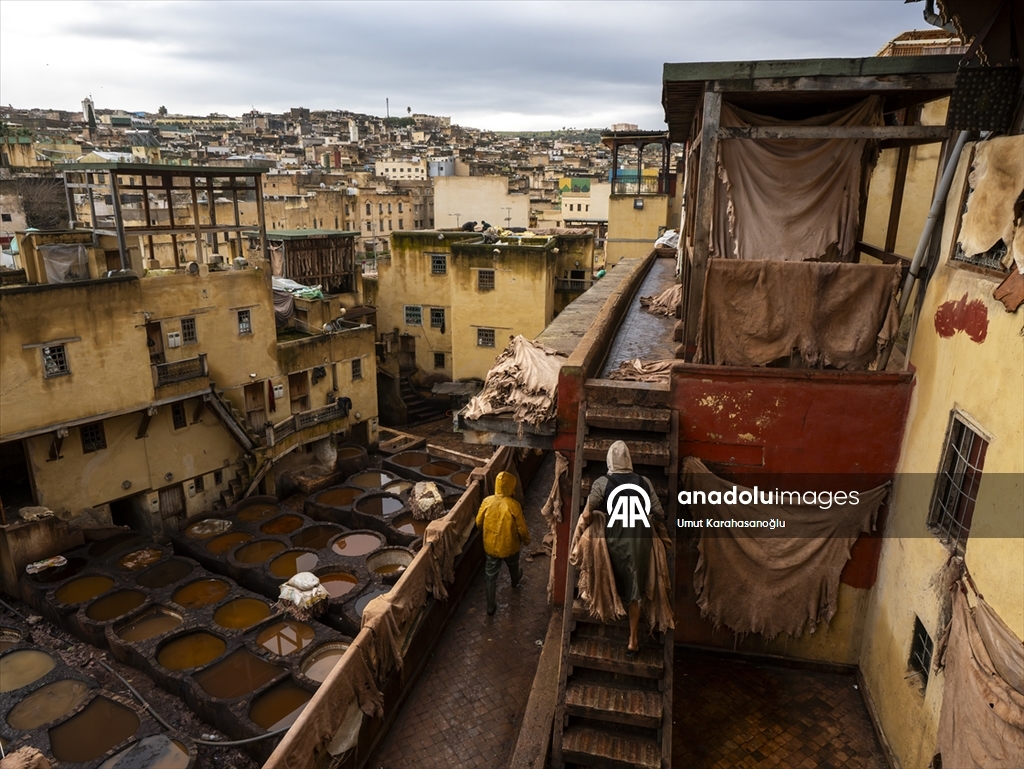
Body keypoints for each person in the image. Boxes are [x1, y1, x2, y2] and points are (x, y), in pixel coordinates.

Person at [580, 440, 664, 655]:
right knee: (635, 585)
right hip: (641, 539)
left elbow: (588, 514)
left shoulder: (602, 483)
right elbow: (659, 513)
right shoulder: (644, 482)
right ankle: (633, 639)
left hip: (616, 539)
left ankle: (610, 609)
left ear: (609, 460)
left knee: (614, 576)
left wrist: (595, 523)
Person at [475, 470, 530, 616]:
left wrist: (485, 533)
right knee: (513, 564)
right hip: (510, 545)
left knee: (490, 575)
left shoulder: (487, 501)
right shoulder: (513, 505)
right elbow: (522, 528)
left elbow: (478, 522)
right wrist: (526, 540)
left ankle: (490, 606)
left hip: (491, 546)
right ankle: (515, 580)